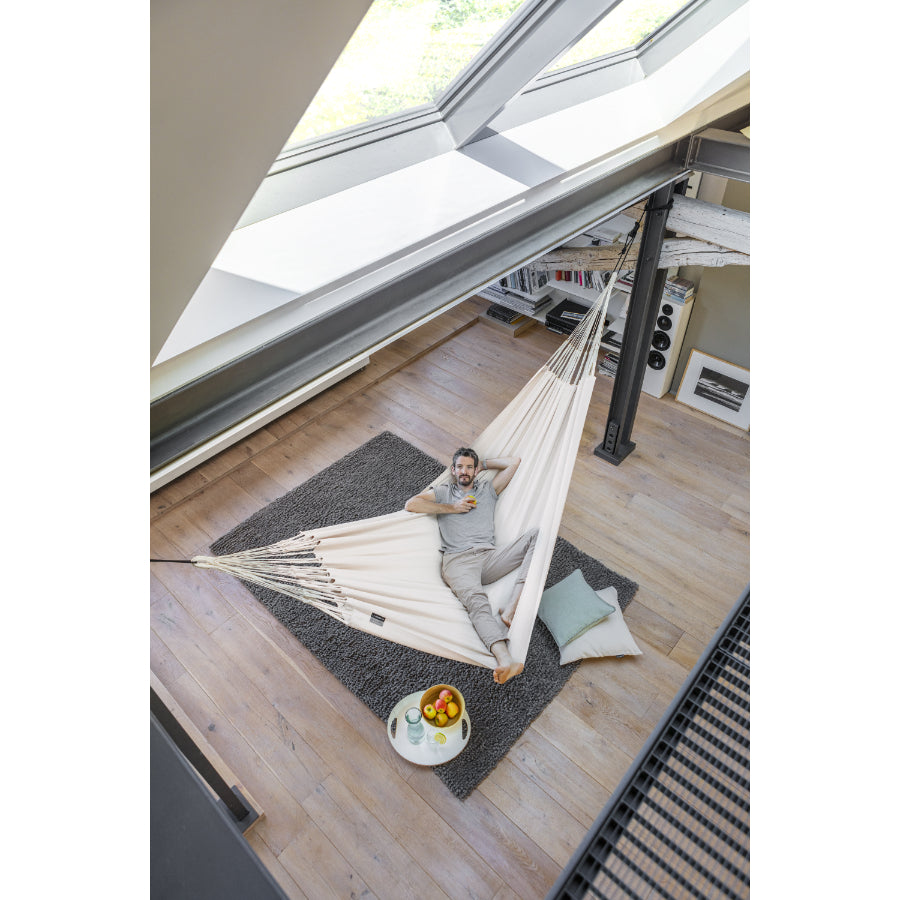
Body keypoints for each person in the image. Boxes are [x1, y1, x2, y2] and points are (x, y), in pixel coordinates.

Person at [405, 447, 538, 684]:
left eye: (469, 467)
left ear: (475, 470)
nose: (464, 471)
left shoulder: (488, 489)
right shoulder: (444, 491)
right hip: (457, 562)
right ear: (453, 470)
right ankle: (505, 659)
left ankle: (511, 607)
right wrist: (452, 508)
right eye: (459, 467)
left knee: (536, 536)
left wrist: (484, 464)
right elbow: (411, 504)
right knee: (478, 602)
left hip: (488, 557)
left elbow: (514, 462)